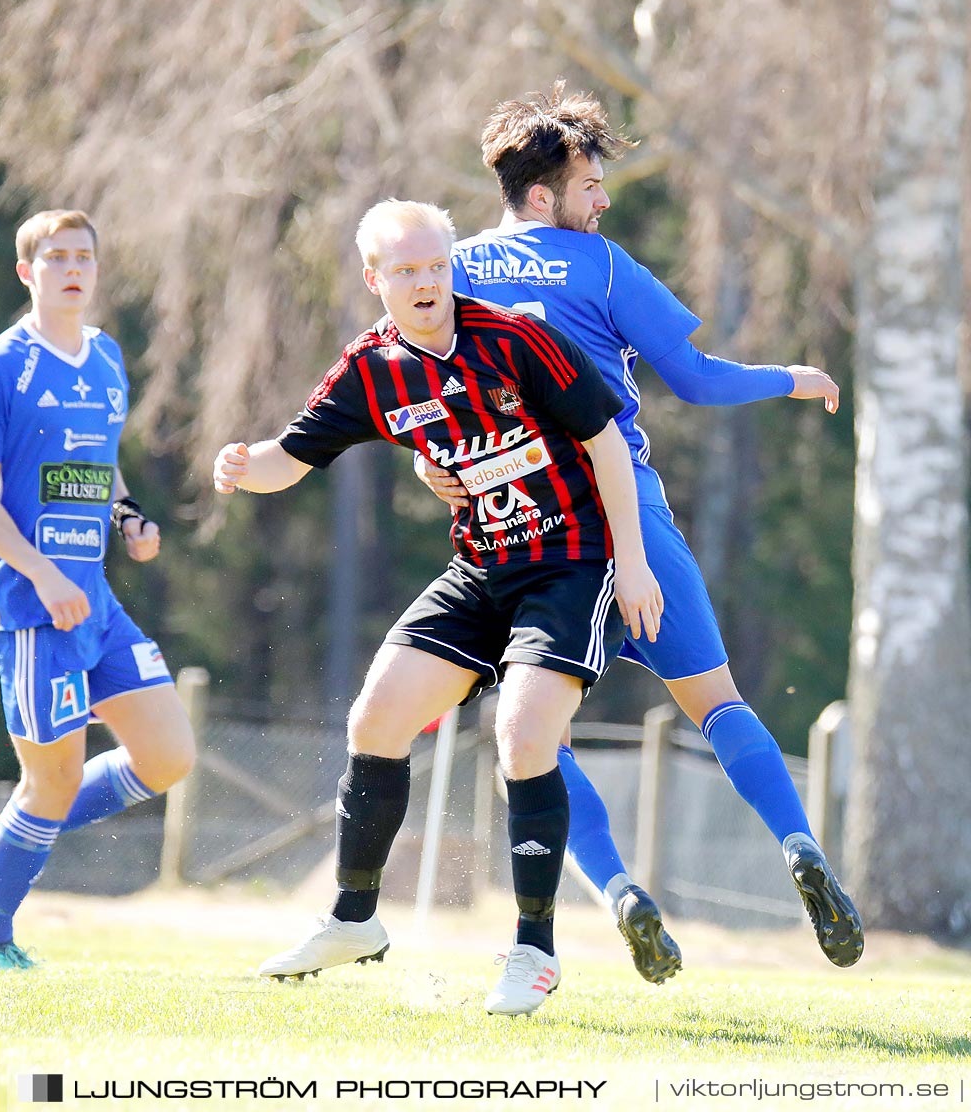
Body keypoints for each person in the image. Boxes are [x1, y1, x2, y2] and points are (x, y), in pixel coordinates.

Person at [420, 83, 862, 977]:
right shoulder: (606, 267)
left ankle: (619, 889)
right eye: (590, 185)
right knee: (719, 703)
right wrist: (790, 377)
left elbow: (422, 396)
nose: (603, 199)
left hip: (523, 532)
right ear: (544, 196)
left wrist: (437, 469)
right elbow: (695, 380)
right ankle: (799, 848)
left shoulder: (451, 272)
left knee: (536, 740)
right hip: (627, 517)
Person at [213, 199, 662, 1017]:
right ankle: (354, 921)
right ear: (374, 278)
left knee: (524, 735)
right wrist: (244, 464)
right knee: (375, 719)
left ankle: (534, 951)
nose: (425, 283)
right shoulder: (370, 368)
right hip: (479, 568)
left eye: (436, 266)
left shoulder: (515, 338)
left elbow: (604, 439)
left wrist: (631, 563)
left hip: (568, 563)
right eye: (407, 270)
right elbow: (291, 457)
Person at [0, 209, 196, 968]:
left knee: (168, 756)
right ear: (28, 273)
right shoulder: (1, 363)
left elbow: (102, 464)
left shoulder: (108, 359)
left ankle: (13, 834)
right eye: (54, 257)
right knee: (50, 779)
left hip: (93, 600)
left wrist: (129, 519)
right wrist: (43, 572)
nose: (71, 268)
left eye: (83, 255)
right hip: (31, 606)